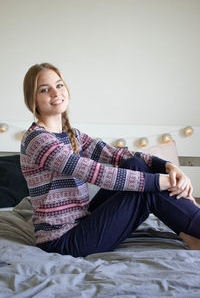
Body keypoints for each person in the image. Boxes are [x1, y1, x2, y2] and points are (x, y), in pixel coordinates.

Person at [20, 62, 200, 257]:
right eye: (45, 90)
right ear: (33, 100)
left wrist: (168, 166)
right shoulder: (38, 140)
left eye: (59, 85)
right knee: (145, 190)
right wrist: (162, 182)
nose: (56, 93)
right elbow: (98, 174)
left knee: (135, 165)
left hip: (82, 220)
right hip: (62, 241)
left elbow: (117, 155)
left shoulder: (72, 135)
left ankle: (189, 233)